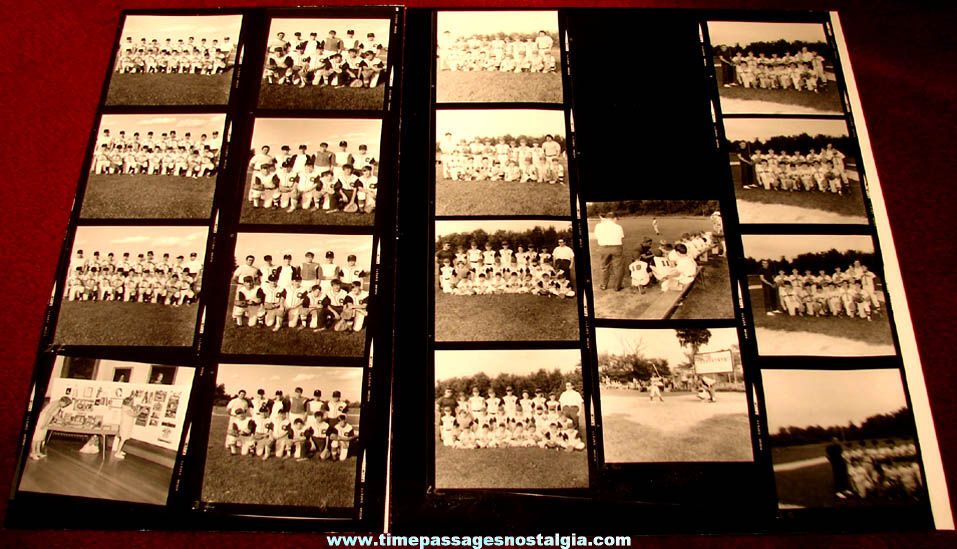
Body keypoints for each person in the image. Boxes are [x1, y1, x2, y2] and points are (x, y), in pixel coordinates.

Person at [594, 212, 625, 291]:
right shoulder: (618, 227)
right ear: (614, 218)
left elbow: (597, 236)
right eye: (616, 219)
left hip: (603, 247)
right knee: (618, 268)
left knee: (604, 267)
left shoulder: (598, 226)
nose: (616, 220)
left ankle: (603, 285)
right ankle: (617, 287)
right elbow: (621, 237)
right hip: (616, 247)